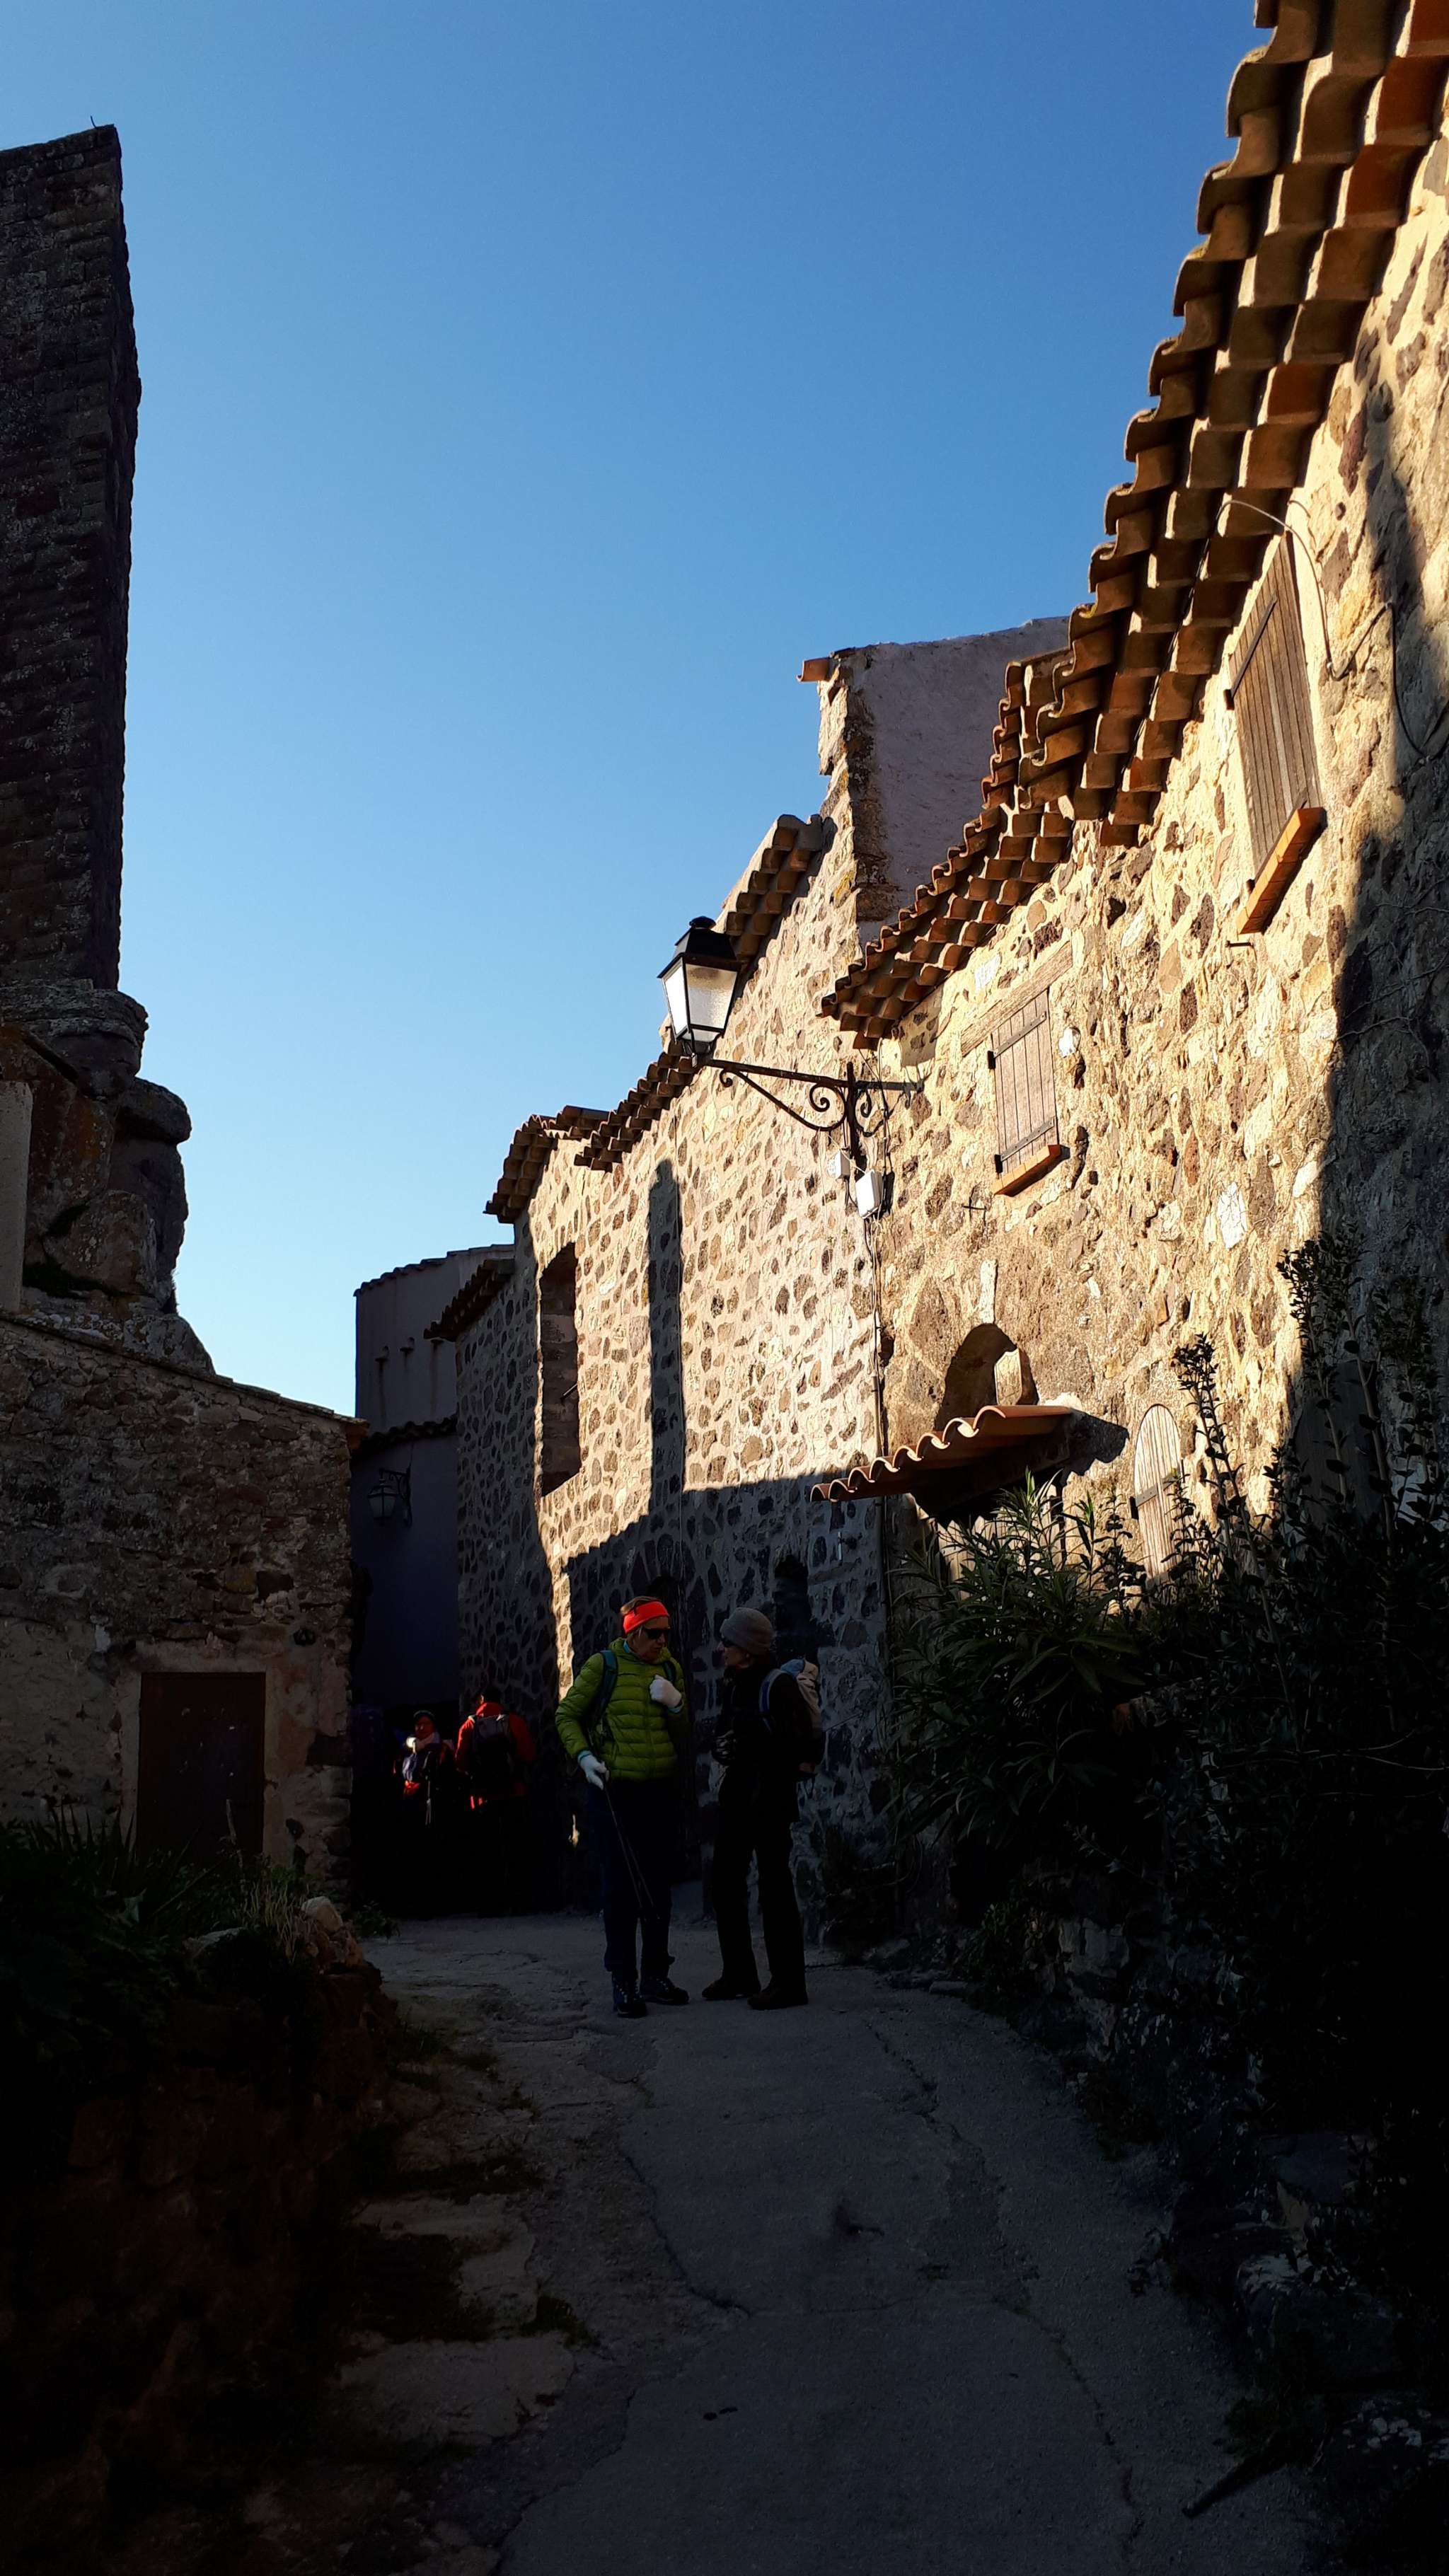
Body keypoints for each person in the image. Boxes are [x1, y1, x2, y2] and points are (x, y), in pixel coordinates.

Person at [555, 1596, 691, 2018]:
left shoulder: (670, 1669)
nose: (662, 1641)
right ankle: (624, 1979)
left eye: (666, 1632)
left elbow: (682, 1731)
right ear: (633, 1633)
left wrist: (677, 1704)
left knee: (657, 1887)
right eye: (654, 1633)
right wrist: (584, 1758)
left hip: (658, 1790)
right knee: (620, 1888)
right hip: (615, 1793)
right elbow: (566, 1715)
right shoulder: (604, 1667)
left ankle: (656, 1974)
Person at [705, 1607, 814, 2010]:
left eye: (728, 1642)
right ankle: (739, 1974)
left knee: (774, 1890)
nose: (722, 1648)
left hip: (770, 1802)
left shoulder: (778, 1686)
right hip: (738, 1799)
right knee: (725, 1884)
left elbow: (798, 1747)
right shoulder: (736, 1684)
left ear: (747, 1650)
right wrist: (724, 1747)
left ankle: (789, 1983)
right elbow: (725, 1732)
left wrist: (753, 1746)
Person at [455, 1692, 537, 1912]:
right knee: (515, 1847)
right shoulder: (513, 1721)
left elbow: (460, 1762)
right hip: (513, 1792)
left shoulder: (470, 1726)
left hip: (482, 1798)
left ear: (480, 1700)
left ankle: (490, 1904)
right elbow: (529, 1754)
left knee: (486, 1851)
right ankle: (519, 1902)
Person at [398, 1711, 460, 1914]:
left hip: (436, 1807)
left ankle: (435, 1903)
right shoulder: (410, 1749)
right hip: (414, 1807)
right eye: (418, 1724)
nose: (421, 1728)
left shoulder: (442, 1748)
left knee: (434, 1853)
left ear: (433, 1726)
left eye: (425, 1723)